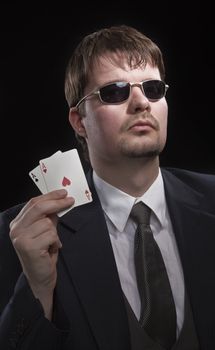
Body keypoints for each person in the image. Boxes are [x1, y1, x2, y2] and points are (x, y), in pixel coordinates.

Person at [0, 24, 214, 350]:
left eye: (153, 88)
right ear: (79, 121)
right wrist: (38, 289)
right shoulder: (21, 236)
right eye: (115, 91)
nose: (142, 103)